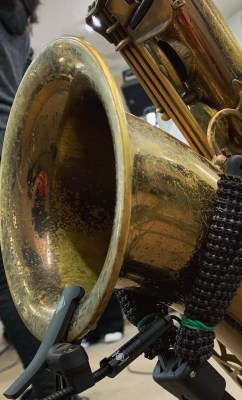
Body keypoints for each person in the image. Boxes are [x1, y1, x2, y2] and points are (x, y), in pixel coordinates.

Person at [0, 1, 56, 399]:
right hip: (17, 150)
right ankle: (55, 381)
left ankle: (49, 386)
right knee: (33, 273)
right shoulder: (17, 24)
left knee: (6, 283)